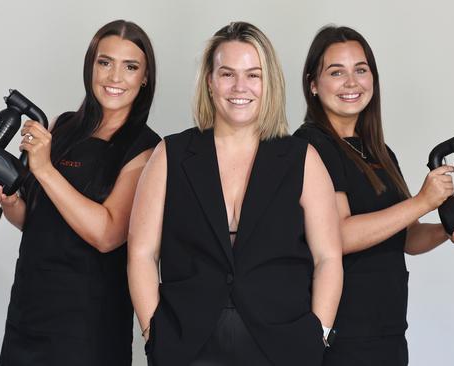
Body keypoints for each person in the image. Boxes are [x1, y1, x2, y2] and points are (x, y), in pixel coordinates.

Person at [127, 21, 343, 366]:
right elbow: (141, 253)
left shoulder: (302, 158)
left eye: (253, 75)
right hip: (185, 347)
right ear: (210, 83)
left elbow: (328, 257)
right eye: (227, 74)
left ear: (268, 82)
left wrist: (318, 334)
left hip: (284, 348)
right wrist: (153, 332)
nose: (240, 86)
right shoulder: (171, 154)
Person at [294, 26, 454, 366]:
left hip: (389, 332)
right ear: (313, 84)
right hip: (340, 336)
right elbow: (337, 235)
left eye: (361, 70)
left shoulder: (380, 152)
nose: (351, 82)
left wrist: (449, 228)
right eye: (336, 72)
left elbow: (406, 237)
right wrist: (422, 201)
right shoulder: (312, 146)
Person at [0, 20, 160, 366]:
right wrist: (11, 200)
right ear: (91, 66)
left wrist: (45, 170)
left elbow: (107, 234)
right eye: (105, 62)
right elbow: (36, 221)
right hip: (27, 313)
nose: (114, 77)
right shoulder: (63, 126)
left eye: (130, 67)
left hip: (87, 328)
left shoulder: (146, 149)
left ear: (145, 77)